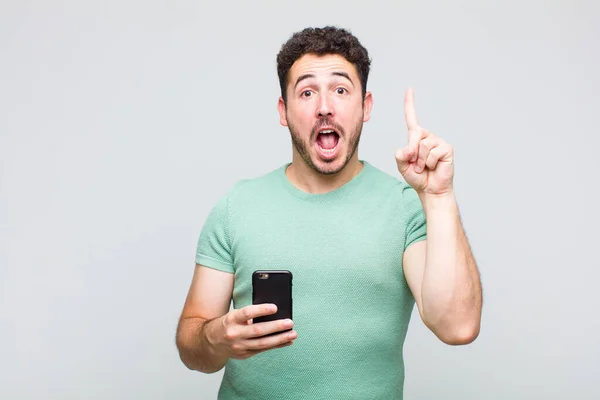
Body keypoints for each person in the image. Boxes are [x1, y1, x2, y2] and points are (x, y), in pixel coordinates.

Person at [175, 26, 483, 400]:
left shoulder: (405, 206)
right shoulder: (235, 207)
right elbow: (193, 348)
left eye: (340, 90)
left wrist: (439, 196)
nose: (324, 106)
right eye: (306, 92)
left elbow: (458, 327)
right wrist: (216, 338)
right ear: (283, 111)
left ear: (365, 107)